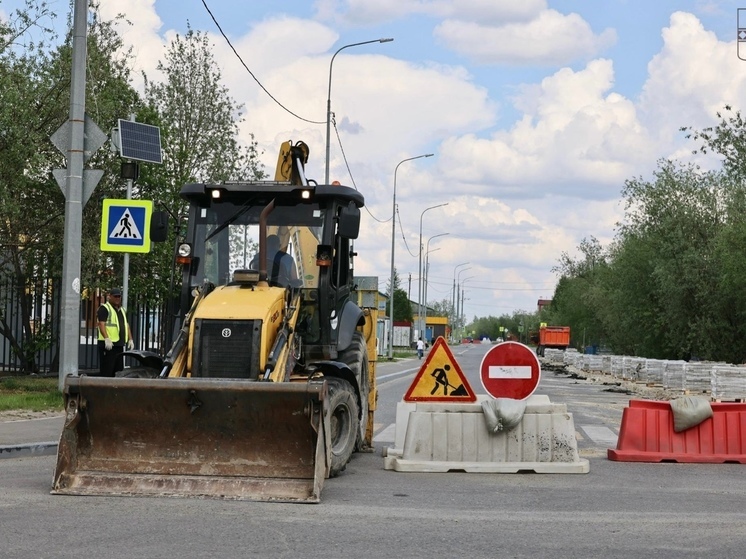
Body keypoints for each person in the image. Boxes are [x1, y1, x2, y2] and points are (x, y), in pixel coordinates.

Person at [97, 287, 134, 377]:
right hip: (108, 345)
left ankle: (115, 390)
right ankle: (105, 389)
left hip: (119, 344)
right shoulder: (104, 308)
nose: (117, 298)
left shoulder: (122, 310)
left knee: (118, 371)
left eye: (119, 296)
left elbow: (126, 325)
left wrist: (130, 339)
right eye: (115, 296)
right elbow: (101, 324)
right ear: (110, 297)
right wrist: (106, 338)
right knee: (107, 370)